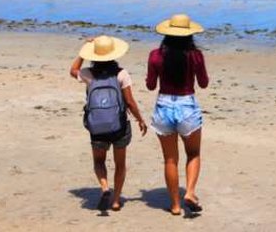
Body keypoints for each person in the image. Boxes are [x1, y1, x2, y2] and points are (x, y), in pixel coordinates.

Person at [69, 36, 148, 212]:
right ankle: (116, 200)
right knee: (120, 164)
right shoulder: (121, 74)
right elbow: (129, 101)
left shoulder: (89, 74)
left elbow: (73, 70)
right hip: (119, 126)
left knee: (99, 161)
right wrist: (140, 119)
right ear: (113, 54)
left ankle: (105, 188)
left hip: (97, 126)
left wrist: (83, 50)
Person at [147, 14, 209, 215]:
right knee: (193, 153)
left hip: (164, 104)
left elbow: (150, 85)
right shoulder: (195, 56)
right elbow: (204, 83)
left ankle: (174, 205)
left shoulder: (156, 55)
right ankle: (189, 192)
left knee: (170, 159)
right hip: (187, 105)